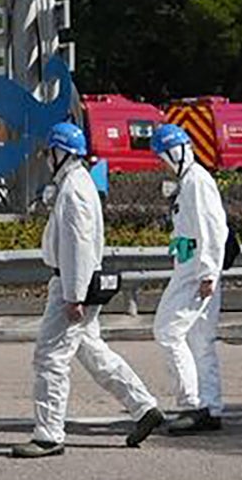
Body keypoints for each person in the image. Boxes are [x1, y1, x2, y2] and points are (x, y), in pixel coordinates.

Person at [12, 121, 163, 458]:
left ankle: (49, 435)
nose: (47, 159)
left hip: (70, 285)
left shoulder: (74, 190)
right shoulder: (75, 183)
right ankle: (143, 407)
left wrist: (74, 296)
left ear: (61, 152)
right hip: (71, 283)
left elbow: (78, 246)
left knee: (50, 358)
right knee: (94, 353)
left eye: (50, 152)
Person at [146, 122, 230, 435]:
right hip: (193, 268)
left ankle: (192, 404)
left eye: (163, 156)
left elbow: (213, 230)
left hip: (196, 272)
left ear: (176, 152)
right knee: (199, 341)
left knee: (167, 331)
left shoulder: (197, 182)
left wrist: (208, 273)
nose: (161, 164)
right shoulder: (189, 181)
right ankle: (211, 407)